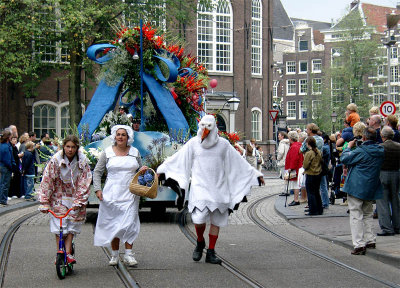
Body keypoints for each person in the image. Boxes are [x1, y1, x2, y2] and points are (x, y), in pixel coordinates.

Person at [157, 115, 264, 264]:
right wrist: (163, 169)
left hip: (219, 187)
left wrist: (255, 175)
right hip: (199, 186)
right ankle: (200, 242)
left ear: (214, 127)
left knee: (217, 220)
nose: (205, 130)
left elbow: (238, 162)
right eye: (203, 126)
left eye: (209, 127)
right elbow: (178, 158)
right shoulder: (193, 143)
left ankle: (211, 251)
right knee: (198, 219)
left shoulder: (224, 144)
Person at [93, 125, 147, 266]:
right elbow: (97, 172)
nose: (121, 137)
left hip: (130, 193)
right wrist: (98, 189)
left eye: (124, 134)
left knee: (130, 223)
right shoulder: (107, 152)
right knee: (113, 223)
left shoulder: (135, 152)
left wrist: (143, 171)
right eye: (118, 134)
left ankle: (129, 254)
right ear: (114, 136)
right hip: (111, 193)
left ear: (128, 137)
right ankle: (115, 254)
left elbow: (141, 172)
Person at [38, 135, 92, 264]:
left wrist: (79, 200)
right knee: (60, 225)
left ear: (77, 148)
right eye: (68, 147)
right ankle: (59, 253)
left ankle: (67, 253)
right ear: (64, 147)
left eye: (73, 147)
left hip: (74, 195)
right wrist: (45, 201)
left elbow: (84, 181)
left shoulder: (82, 161)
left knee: (72, 224)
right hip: (59, 194)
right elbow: (48, 179)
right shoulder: (56, 160)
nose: (70, 150)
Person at [340, 127, 384, 255]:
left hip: (356, 186)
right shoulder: (381, 151)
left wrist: (348, 147)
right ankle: (370, 240)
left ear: (363, 138)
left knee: (355, 214)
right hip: (371, 186)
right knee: (368, 213)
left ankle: (359, 244)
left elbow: (345, 159)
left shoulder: (361, 151)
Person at [376, 126, 400, 236]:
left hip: (383, 174)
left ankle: (387, 227)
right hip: (396, 173)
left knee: (382, 201)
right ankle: (397, 226)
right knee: (396, 200)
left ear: (383, 136)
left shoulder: (380, 147)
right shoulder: (398, 146)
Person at [303, 137, 323, 216]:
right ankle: (319, 209)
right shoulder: (319, 152)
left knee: (310, 193)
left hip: (311, 174)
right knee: (317, 192)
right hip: (318, 174)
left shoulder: (309, 153)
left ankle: (313, 210)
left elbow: (305, 165)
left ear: (308, 144)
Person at [284, 131, 303, 205]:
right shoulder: (298, 145)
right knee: (296, 184)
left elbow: (294, 158)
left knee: (295, 184)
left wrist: (291, 167)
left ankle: (296, 200)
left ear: (291, 138)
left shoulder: (294, 147)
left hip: (295, 168)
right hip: (298, 167)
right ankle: (296, 199)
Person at [0, 129, 16, 206]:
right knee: (5, 184)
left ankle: (2, 199)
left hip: (2, 166)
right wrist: (12, 167)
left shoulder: (2, 145)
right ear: (8, 137)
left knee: (2, 183)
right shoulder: (6, 147)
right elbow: (7, 159)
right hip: (6, 167)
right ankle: (3, 200)